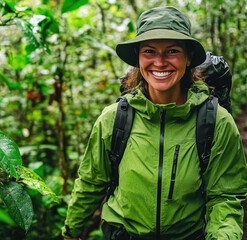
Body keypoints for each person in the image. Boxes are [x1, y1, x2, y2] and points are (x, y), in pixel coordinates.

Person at [62, 6, 247, 240]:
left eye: (172, 51)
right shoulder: (115, 118)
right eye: (149, 51)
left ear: (188, 57)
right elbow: (92, 181)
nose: (159, 62)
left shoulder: (215, 121)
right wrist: (71, 231)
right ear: (138, 59)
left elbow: (225, 197)